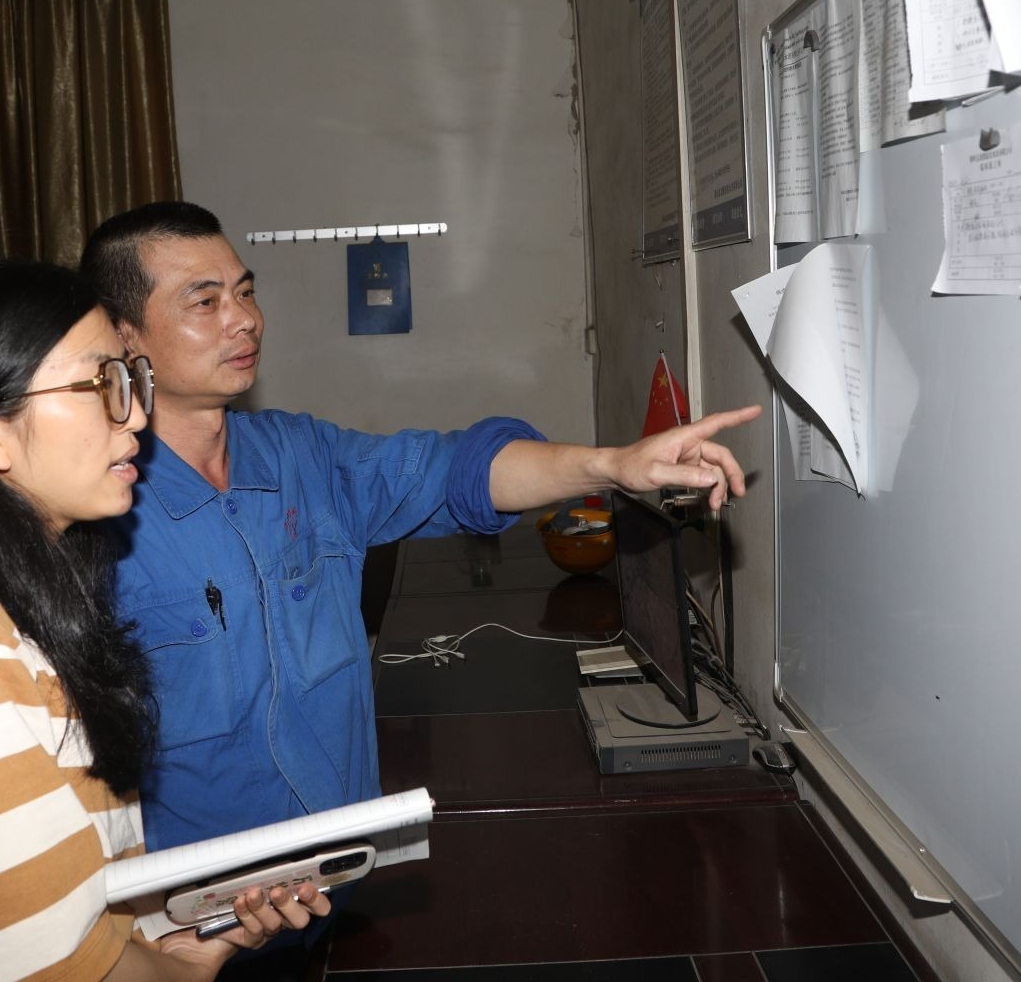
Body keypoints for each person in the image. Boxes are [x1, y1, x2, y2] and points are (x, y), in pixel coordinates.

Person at [80, 202, 761, 857]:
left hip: (343, 871)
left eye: (246, 292)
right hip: (207, 906)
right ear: (124, 335)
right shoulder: (94, 520)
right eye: (205, 302)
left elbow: (458, 469)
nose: (246, 321)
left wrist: (612, 466)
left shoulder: (301, 459)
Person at [0, 259, 330, 982]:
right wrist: (183, 974)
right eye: (100, 384)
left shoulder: (20, 594)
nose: (136, 415)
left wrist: (168, 934)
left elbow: (65, 897)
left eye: (130, 379)